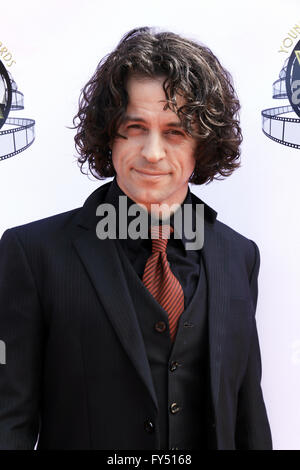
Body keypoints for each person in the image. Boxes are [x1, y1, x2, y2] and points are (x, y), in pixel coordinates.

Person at [0, 26, 272, 450]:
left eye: (175, 131)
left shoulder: (239, 256)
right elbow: (8, 422)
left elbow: (249, 415)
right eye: (135, 127)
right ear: (110, 133)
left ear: (202, 145)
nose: (152, 152)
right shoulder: (31, 255)